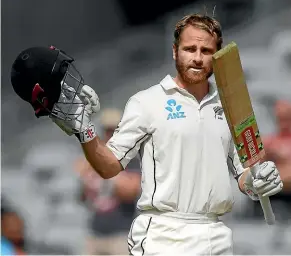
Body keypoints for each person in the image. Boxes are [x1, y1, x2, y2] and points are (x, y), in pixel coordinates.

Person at [11, 14, 283, 255]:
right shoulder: (146, 104)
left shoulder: (225, 110)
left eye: (206, 50)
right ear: (175, 52)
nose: (198, 57)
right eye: (190, 49)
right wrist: (85, 132)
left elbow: (241, 174)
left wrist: (256, 182)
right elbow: (108, 166)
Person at [74, 108, 141, 255]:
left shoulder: (131, 159)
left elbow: (130, 192)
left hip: (120, 235)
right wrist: (86, 177)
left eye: (115, 130)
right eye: (107, 130)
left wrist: (104, 171)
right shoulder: (92, 160)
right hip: (95, 232)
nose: (111, 135)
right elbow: (81, 197)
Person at [252, 100, 291, 220]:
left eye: (286, 119)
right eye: (280, 119)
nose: (283, 123)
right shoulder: (269, 142)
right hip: (271, 195)